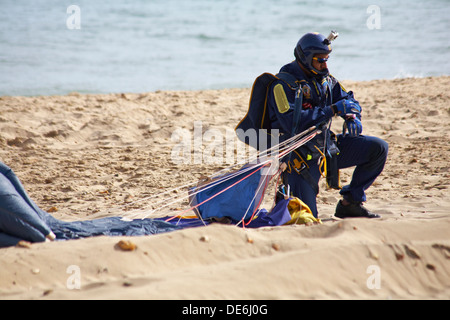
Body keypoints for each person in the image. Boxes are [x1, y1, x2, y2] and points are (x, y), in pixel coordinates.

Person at [265, 31, 388, 219]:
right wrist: (332, 110)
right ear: (306, 59)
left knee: (378, 148)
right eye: (320, 60)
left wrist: (353, 116)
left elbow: (348, 98)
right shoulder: (282, 85)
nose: (325, 64)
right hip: (299, 159)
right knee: (305, 218)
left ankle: (350, 203)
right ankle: (287, 197)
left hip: (325, 147)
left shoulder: (325, 80)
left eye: (326, 59)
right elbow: (291, 122)